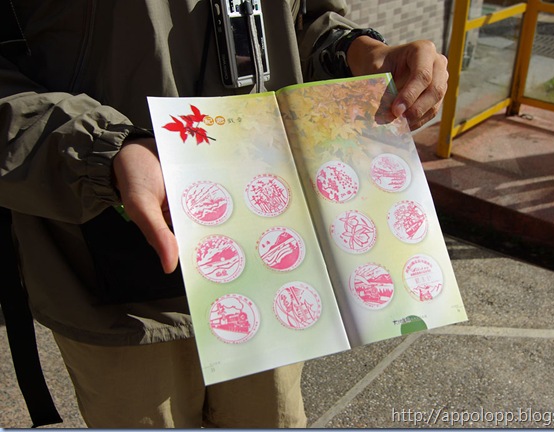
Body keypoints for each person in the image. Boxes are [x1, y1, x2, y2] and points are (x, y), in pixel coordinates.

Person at [0, 0, 448, 428]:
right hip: (109, 257)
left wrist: (356, 50)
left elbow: (305, 19)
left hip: (268, 252)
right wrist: (103, 150)